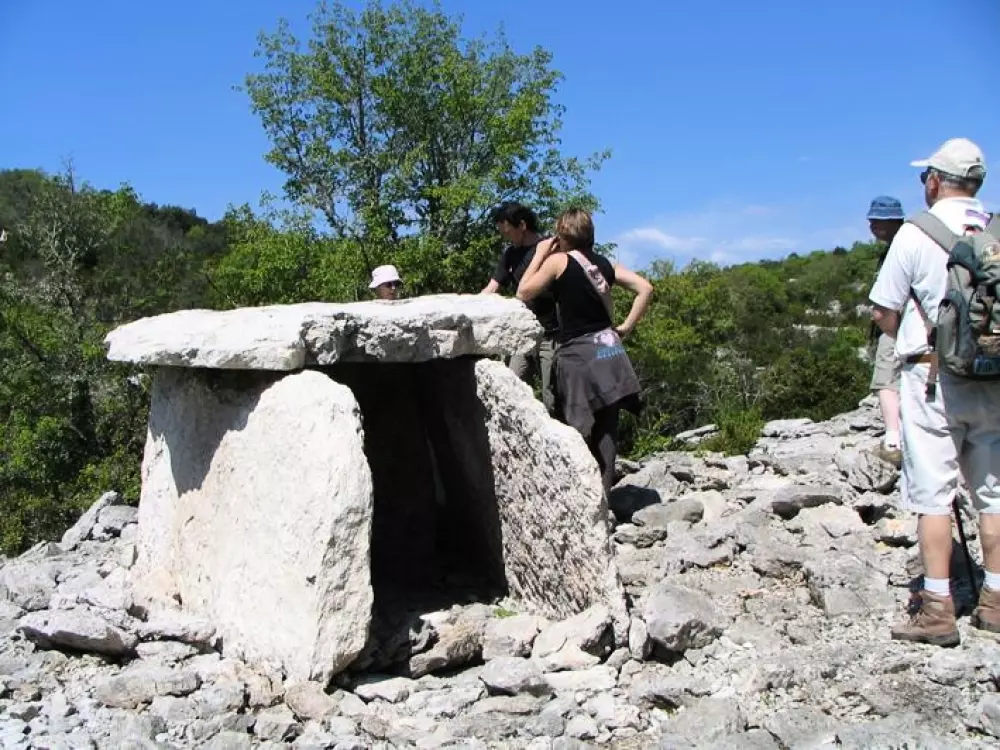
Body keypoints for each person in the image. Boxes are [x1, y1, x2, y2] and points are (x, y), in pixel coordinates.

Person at [869, 137, 998, 646]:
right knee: (993, 493)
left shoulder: (915, 233)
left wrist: (911, 335)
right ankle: (995, 600)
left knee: (933, 496)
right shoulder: (994, 230)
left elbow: (884, 309)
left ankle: (938, 609)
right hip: (992, 376)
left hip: (932, 378)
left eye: (926, 175)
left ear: (936, 181)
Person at [517, 208, 653, 495]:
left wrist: (540, 253)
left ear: (563, 235)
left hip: (578, 355)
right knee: (607, 426)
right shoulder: (604, 264)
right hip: (609, 351)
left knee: (574, 426)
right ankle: (604, 497)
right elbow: (645, 288)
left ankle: (578, 496)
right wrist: (626, 327)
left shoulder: (558, 261)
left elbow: (524, 292)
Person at [481, 202, 559, 414]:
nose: (505, 237)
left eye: (507, 231)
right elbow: (492, 287)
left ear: (522, 225)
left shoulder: (549, 249)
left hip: (550, 332)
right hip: (521, 331)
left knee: (551, 396)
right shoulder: (510, 254)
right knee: (512, 385)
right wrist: (468, 306)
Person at [865, 196, 906, 467]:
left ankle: (893, 441)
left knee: (886, 381)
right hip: (920, 327)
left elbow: (885, 305)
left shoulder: (898, 249)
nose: (874, 227)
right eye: (872, 222)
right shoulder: (911, 244)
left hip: (896, 325)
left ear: (895, 221)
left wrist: (889, 328)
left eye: (880, 222)